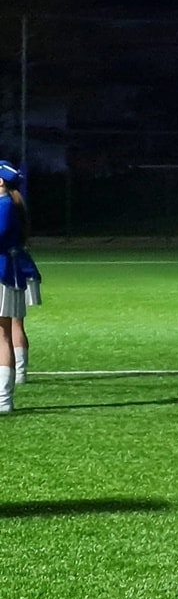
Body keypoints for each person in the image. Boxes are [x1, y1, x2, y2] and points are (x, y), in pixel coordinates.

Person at [0, 161, 40, 412]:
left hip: (3, 272)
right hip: (7, 271)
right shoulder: (8, 204)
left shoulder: (4, 205)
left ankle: (4, 399)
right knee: (6, 331)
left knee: (4, 333)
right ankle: (5, 397)